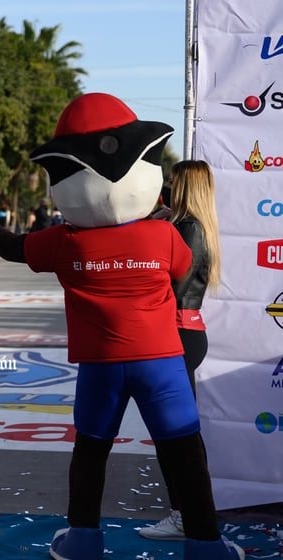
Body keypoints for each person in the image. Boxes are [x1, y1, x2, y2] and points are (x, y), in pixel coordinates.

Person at [0, 93, 242, 560]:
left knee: (91, 452)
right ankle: (206, 545)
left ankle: (84, 540)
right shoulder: (165, 235)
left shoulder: (64, 241)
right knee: (184, 453)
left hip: (100, 365)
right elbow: (183, 268)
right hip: (161, 361)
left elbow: (8, 246)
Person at [139, 160, 222, 542]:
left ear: (185, 186)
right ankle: (187, 512)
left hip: (176, 336)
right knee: (175, 432)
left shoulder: (187, 230)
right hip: (180, 335)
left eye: (173, 182)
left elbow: (165, 286)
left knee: (175, 434)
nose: (168, 188)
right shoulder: (190, 226)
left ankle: (184, 514)